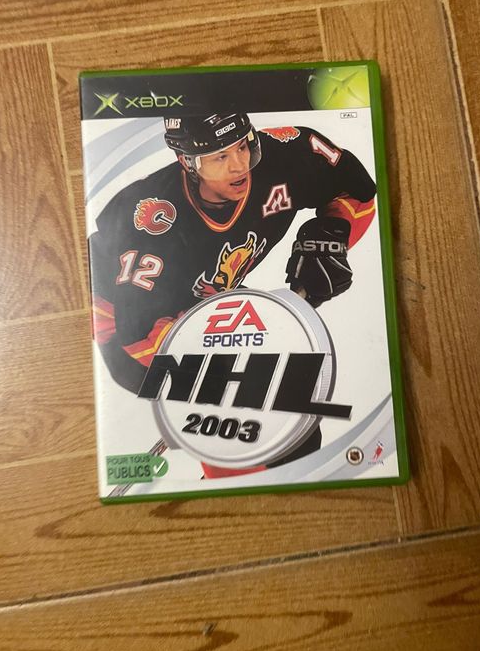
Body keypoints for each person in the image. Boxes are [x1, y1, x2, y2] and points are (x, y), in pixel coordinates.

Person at [89, 112, 376, 476]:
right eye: (220, 156)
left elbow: (358, 191)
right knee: (245, 419)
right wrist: (227, 370)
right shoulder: (152, 222)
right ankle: (232, 483)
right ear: (187, 162)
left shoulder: (287, 156)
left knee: (293, 424)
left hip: (204, 300)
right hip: (124, 323)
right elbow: (136, 335)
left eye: (243, 146)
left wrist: (332, 232)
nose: (240, 165)